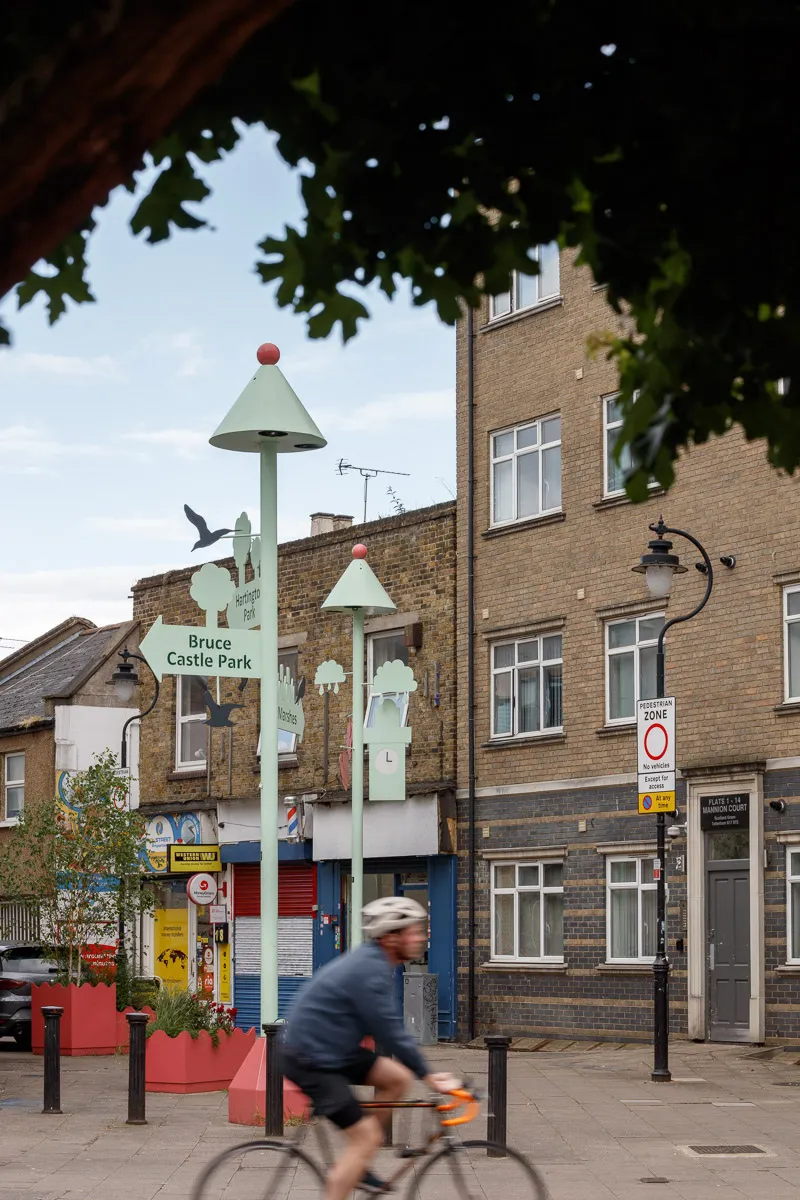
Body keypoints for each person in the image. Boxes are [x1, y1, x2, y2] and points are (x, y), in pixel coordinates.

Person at [278, 896, 461, 1200]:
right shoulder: (369, 970)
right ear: (391, 937)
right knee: (365, 1138)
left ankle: (359, 1161)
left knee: (397, 1079)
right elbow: (388, 1029)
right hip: (309, 1058)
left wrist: (419, 1073)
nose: (420, 937)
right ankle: (358, 1156)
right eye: (413, 931)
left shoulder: (376, 963)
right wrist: (430, 1075)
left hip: (333, 1048)